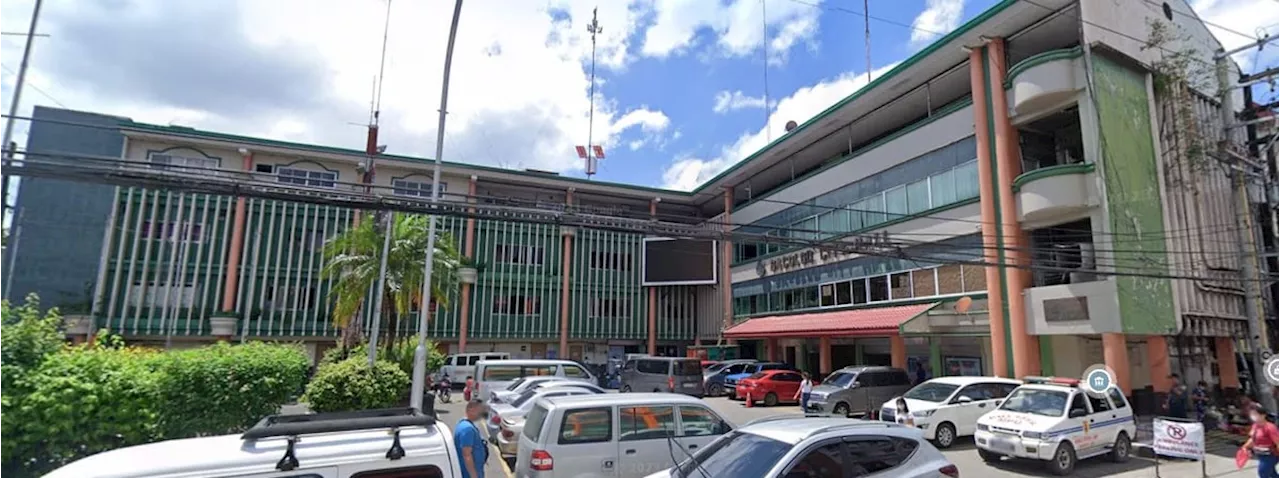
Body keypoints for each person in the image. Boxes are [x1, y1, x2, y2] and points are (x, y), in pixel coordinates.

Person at [454, 399, 489, 478]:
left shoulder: (465, 424)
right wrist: (474, 476)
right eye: (479, 411)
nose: (481, 414)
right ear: (471, 410)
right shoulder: (467, 429)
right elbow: (467, 455)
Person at [1243, 404, 1280, 478]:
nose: (1253, 416)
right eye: (1251, 414)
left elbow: (1278, 442)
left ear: (1263, 415)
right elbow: (1253, 439)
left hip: (1270, 456)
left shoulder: (1270, 428)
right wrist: (1245, 447)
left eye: (1255, 414)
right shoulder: (1255, 426)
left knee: (1263, 473)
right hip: (1261, 455)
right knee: (1272, 473)